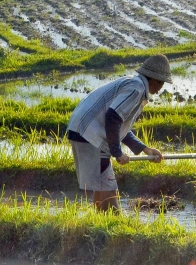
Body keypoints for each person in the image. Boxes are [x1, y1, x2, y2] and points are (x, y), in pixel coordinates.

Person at [66, 55, 171, 211]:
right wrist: (117, 152)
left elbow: (119, 126)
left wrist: (145, 149)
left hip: (83, 130)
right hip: (90, 134)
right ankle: (114, 225)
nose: (161, 88)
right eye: (162, 83)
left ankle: (100, 224)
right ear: (155, 80)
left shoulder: (133, 84)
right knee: (109, 188)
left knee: (101, 185)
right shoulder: (137, 89)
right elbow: (113, 117)